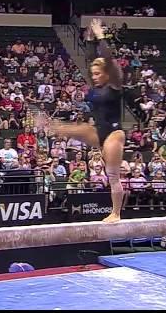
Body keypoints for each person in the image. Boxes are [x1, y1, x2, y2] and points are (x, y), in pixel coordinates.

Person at [49, 19, 126, 223]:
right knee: (78, 128)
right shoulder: (97, 85)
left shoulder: (115, 84)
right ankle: (52, 126)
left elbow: (108, 60)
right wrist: (90, 39)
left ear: (107, 73)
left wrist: (100, 35)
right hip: (98, 131)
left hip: (114, 133)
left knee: (113, 176)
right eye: (93, 74)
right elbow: (91, 59)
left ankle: (116, 213)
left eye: (98, 74)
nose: (95, 76)